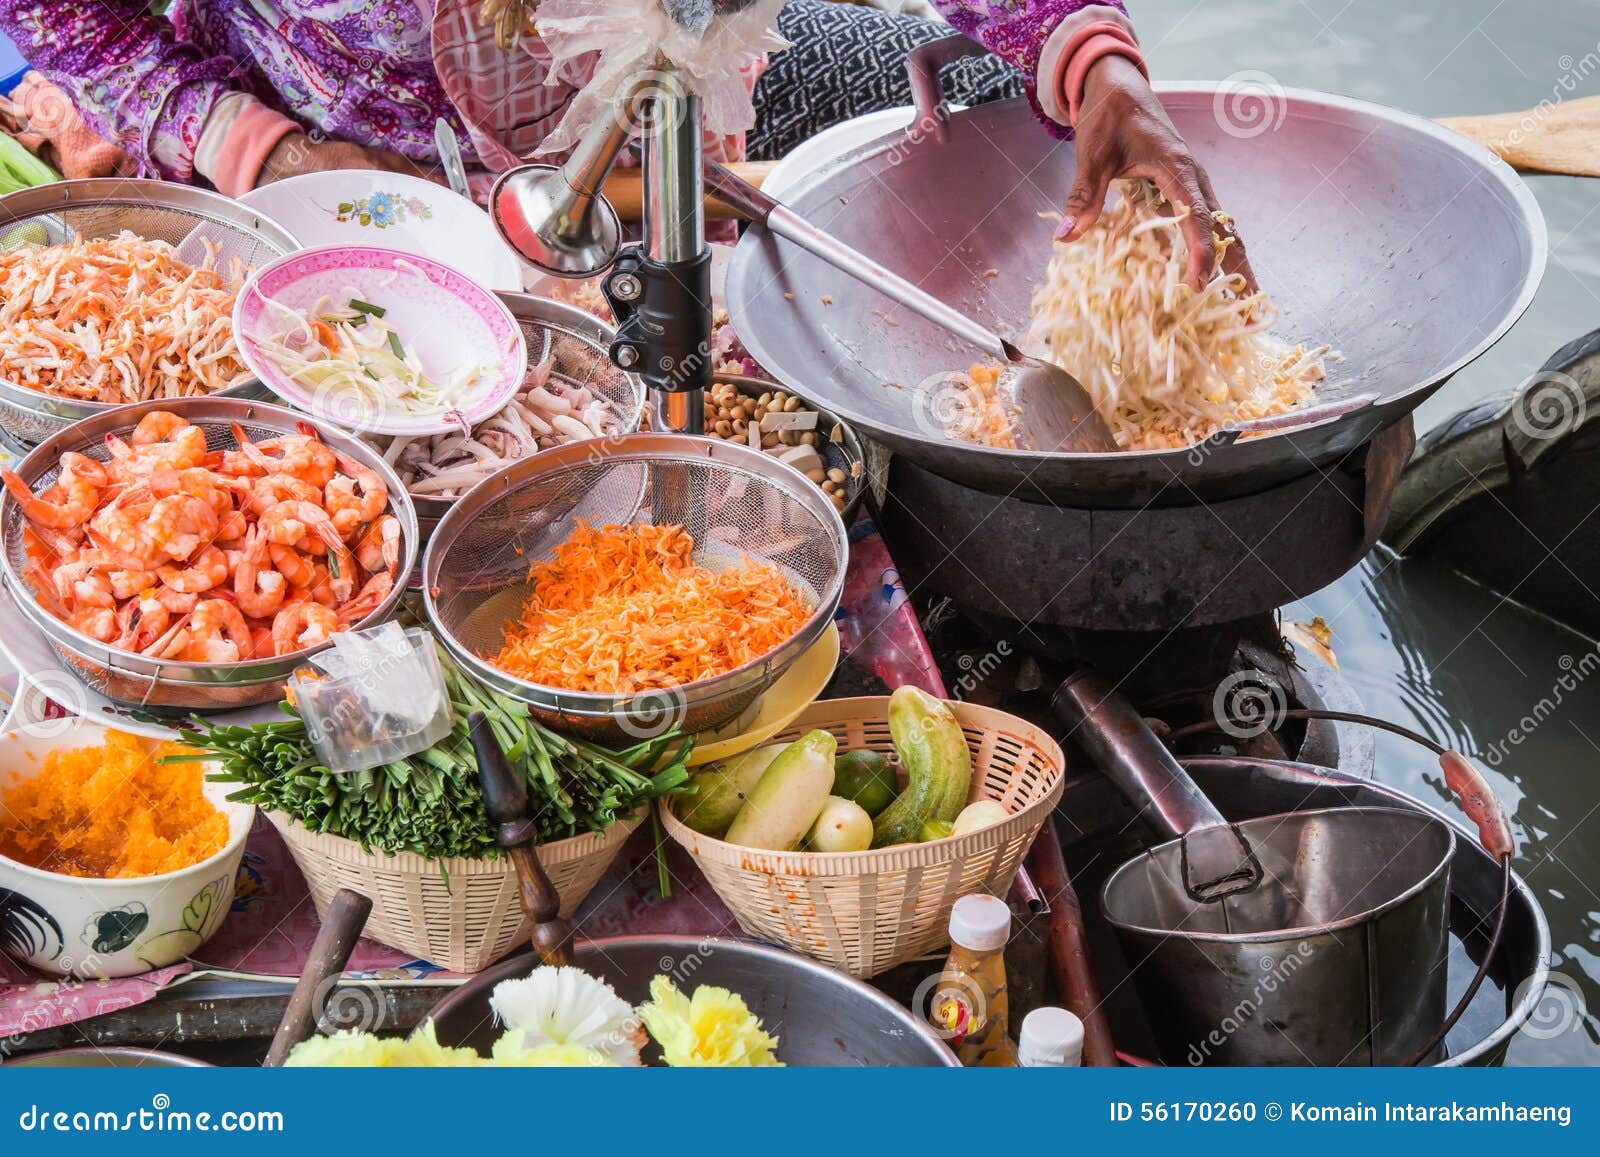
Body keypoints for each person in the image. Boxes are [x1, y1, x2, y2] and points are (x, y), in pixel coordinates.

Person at [0, 0, 1246, 285]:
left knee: (969, 84)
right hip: (361, 158)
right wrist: (265, 154)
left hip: (671, 76)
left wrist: (1104, 79)